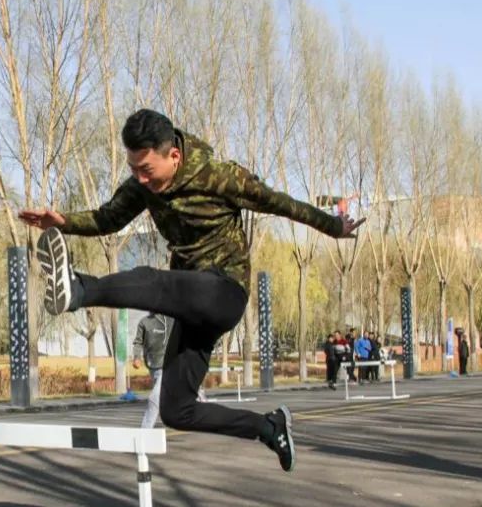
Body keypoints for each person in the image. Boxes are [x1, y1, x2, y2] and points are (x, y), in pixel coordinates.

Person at [20, 109, 363, 472]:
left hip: (224, 290)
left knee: (154, 282)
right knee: (176, 410)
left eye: (146, 170)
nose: (140, 179)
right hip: (190, 302)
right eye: (134, 169)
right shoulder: (142, 185)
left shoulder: (220, 176)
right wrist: (63, 222)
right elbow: (109, 218)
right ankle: (268, 427)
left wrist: (334, 227)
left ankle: (78, 289)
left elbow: (281, 203)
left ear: (174, 155)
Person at [132, 312, 173, 428]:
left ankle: (145, 431)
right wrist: (136, 357)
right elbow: (138, 342)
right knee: (161, 398)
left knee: (154, 399)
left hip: (170, 366)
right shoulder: (144, 322)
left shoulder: (172, 320)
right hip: (153, 366)